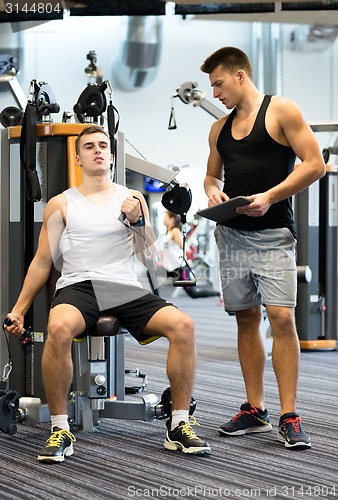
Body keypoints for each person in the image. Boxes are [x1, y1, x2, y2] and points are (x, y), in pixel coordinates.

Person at [4, 125, 210, 462]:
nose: (98, 150)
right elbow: (42, 262)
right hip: (78, 285)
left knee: (184, 325)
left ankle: (179, 424)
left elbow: (152, 257)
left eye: (103, 145)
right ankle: (60, 428)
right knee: (57, 328)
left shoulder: (132, 198)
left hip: (123, 286)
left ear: (112, 157)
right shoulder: (61, 204)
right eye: (89, 146)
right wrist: (19, 309)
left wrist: (139, 221)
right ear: (79, 158)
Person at [200, 47, 325, 449]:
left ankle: (289, 414)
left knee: (281, 318)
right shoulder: (218, 129)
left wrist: (269, 196)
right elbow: (209, 173)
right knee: (245, 318)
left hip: (273, 235)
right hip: (231, 235)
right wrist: (211, 189)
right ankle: (256, 410)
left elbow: (314, 164)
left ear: (239, 76)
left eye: (218, 84)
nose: (215, 93)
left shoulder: (281, 111)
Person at [162, 211, 220, 299]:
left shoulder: (175, 231)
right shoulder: (169, 233)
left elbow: (183, 246)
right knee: (152, 273)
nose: (163, 219)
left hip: (180, 269)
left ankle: (217, 293)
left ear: (172, 219)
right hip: (171, 269)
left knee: (194, 293)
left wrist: (184, 244)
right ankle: (156, 300)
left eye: (165, 217)